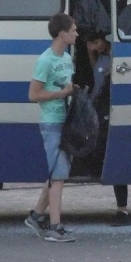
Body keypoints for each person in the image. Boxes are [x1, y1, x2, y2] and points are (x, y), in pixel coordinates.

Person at [23, 13, 78, 243]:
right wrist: (61, 93)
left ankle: (36, 216)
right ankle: (55, 227)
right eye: (73, 30)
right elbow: (33, 95)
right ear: (62, 33)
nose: (76, 34)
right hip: (51, 120)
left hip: (64, 120)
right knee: (58, 177)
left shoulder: (67, 58)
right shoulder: (45, 60)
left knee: (57, 172)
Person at [83, 30, 131, 227]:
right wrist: (92, 52)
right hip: (100, 110)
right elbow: (95, 72)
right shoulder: (102, 58)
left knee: (113, 156)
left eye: (96, 42)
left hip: (108, 111)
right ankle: (122, 209)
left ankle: (123, 209)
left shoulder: (115, 60)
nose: (93, 47)